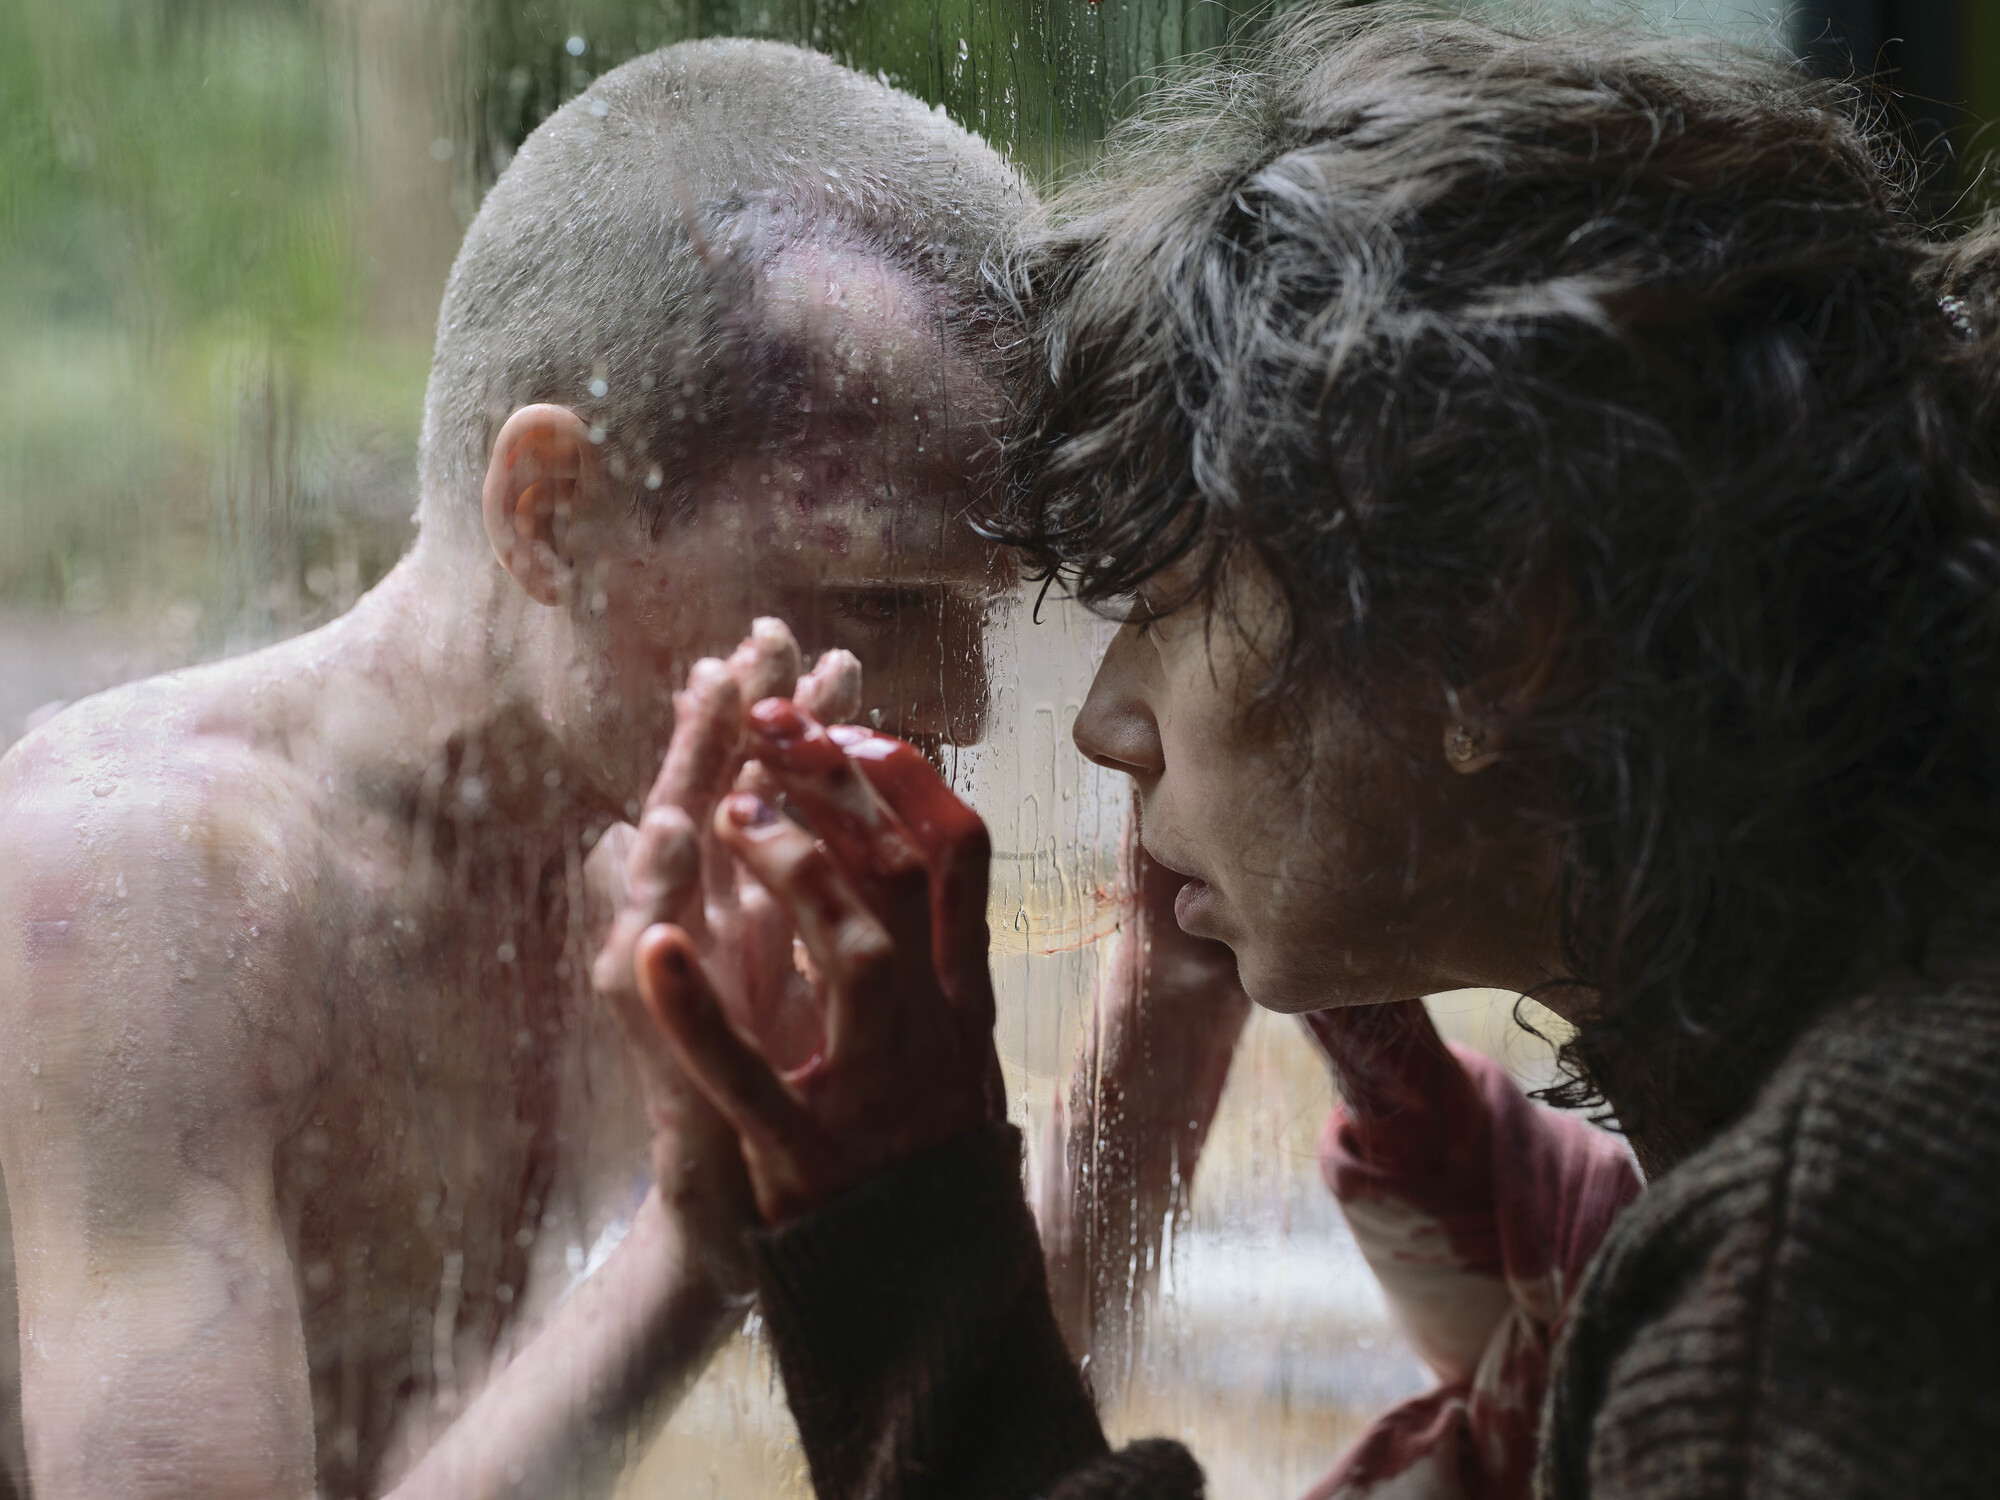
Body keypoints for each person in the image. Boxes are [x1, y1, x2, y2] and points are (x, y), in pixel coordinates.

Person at [629, 8, 2000, 1497]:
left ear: (1489, 637)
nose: (1101, 725)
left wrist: (901, 1229)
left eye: (1163, 602)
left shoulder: (1833, 1261)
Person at [0, 38, 1028, 1499]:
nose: (964, 707)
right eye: (882, 597)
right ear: (550, 513)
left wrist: (1162, 1025)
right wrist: (694, 1253)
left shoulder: (641, 902)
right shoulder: (143, 882)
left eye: (977, 615)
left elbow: (973, 1444)